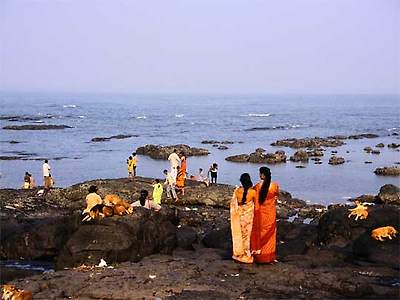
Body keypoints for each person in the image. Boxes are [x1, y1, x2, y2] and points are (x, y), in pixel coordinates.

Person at [251, 166, 279, 263]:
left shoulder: (258, 186)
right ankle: (269, 257)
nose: (259, 175)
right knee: (270, 235)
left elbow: (252, 195)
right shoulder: (274, 186)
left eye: (260, 173)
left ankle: (259, 256)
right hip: (270, 212)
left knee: (260, 233)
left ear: (263, 175)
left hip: (261, 213)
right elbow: (276, 196)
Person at [230, 173, 257, 263]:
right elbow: (257, 205)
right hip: (249, 217)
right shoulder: (253, 192)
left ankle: (238, 253)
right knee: (247, 236)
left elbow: (233, 204)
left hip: (239, 217)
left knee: (240, 235)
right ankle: (246, 254)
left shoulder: (237, 191)